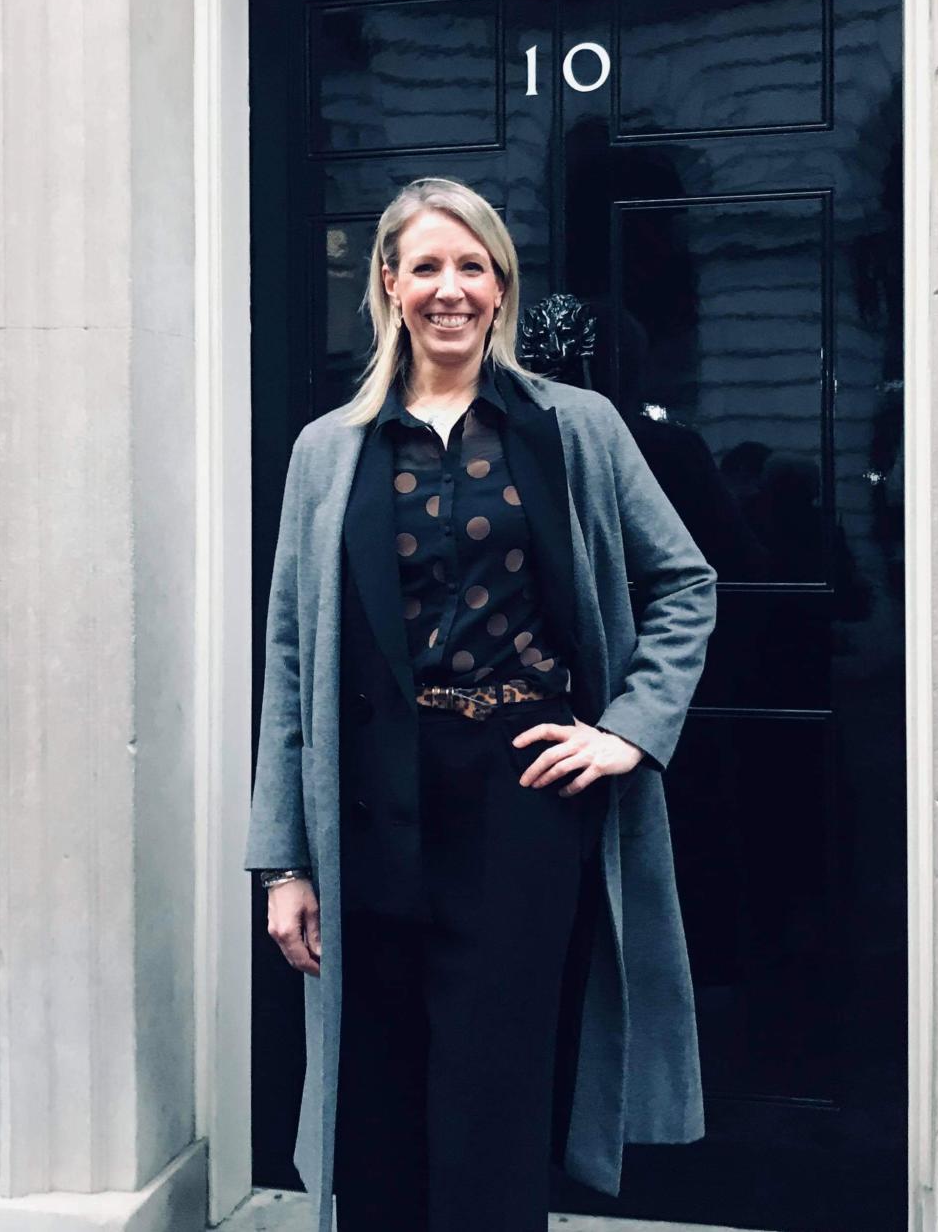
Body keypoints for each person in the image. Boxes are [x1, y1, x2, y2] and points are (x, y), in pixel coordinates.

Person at [243, 177, 717, 1232]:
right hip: (370, 806)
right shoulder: (328, 451)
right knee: (378, 1089)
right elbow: (288, 661)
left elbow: (686, 583)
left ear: (501, 288)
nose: (448, 289)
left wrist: (628, 732)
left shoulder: (575, 427)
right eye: (425, 267)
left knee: (493, 1089)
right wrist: (284, 861)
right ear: (388, 285)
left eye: (472, 267)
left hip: (522, 798)